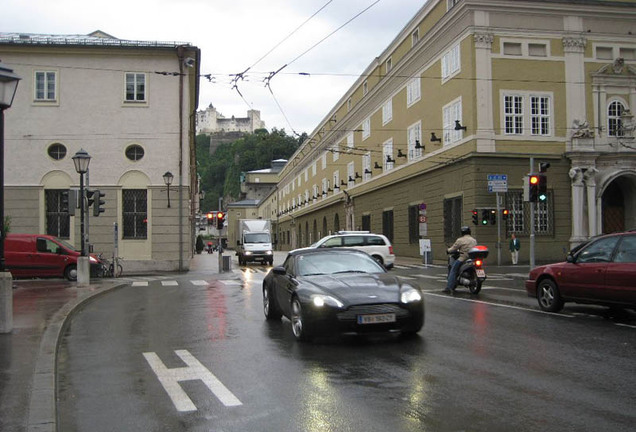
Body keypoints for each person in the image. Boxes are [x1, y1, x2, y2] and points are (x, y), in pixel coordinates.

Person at [445, 226, 477, 293]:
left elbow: (453, 248)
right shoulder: (474, 240)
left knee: (453, 270)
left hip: (463, 258)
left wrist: (448, 250)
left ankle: (449, 287)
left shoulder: (460, 240)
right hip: (473, 258)